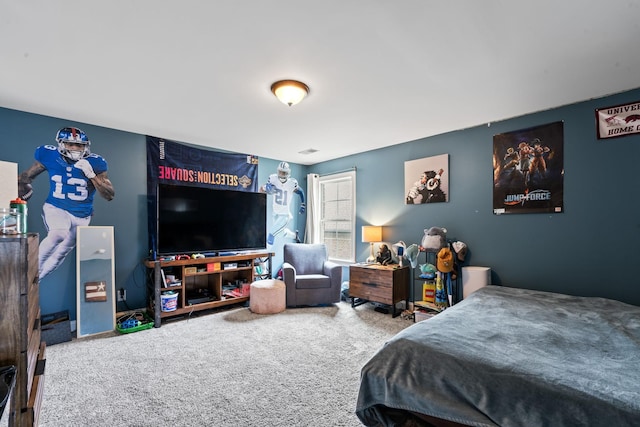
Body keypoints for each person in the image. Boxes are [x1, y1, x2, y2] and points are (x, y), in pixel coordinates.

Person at [18, 127, 115, 279]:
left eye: (80, 145)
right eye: (71, 144)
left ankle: (37, 279)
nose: (76, 148)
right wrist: (20, 186)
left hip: (82, 215)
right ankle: (28, 272)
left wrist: (91, 175)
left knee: (62, 251)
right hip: (56, 206)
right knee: (58, 234)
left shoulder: (95, 162)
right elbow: (27, 176)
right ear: (61, 144)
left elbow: (109, 195)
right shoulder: (49, 155)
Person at [260, 161, 305, 245]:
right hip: (275, 212)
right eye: (280, 172)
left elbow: (301, 191)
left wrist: (303, 204)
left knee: (271, 234)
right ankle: (294, 236)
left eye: (284, 172)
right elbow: (261, 189)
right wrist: (266, 189)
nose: (282, 174)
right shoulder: (273, 179)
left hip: (285, 214)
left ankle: (265, 253)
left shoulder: (292, 183)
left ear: (288, 173)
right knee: (280, 234)